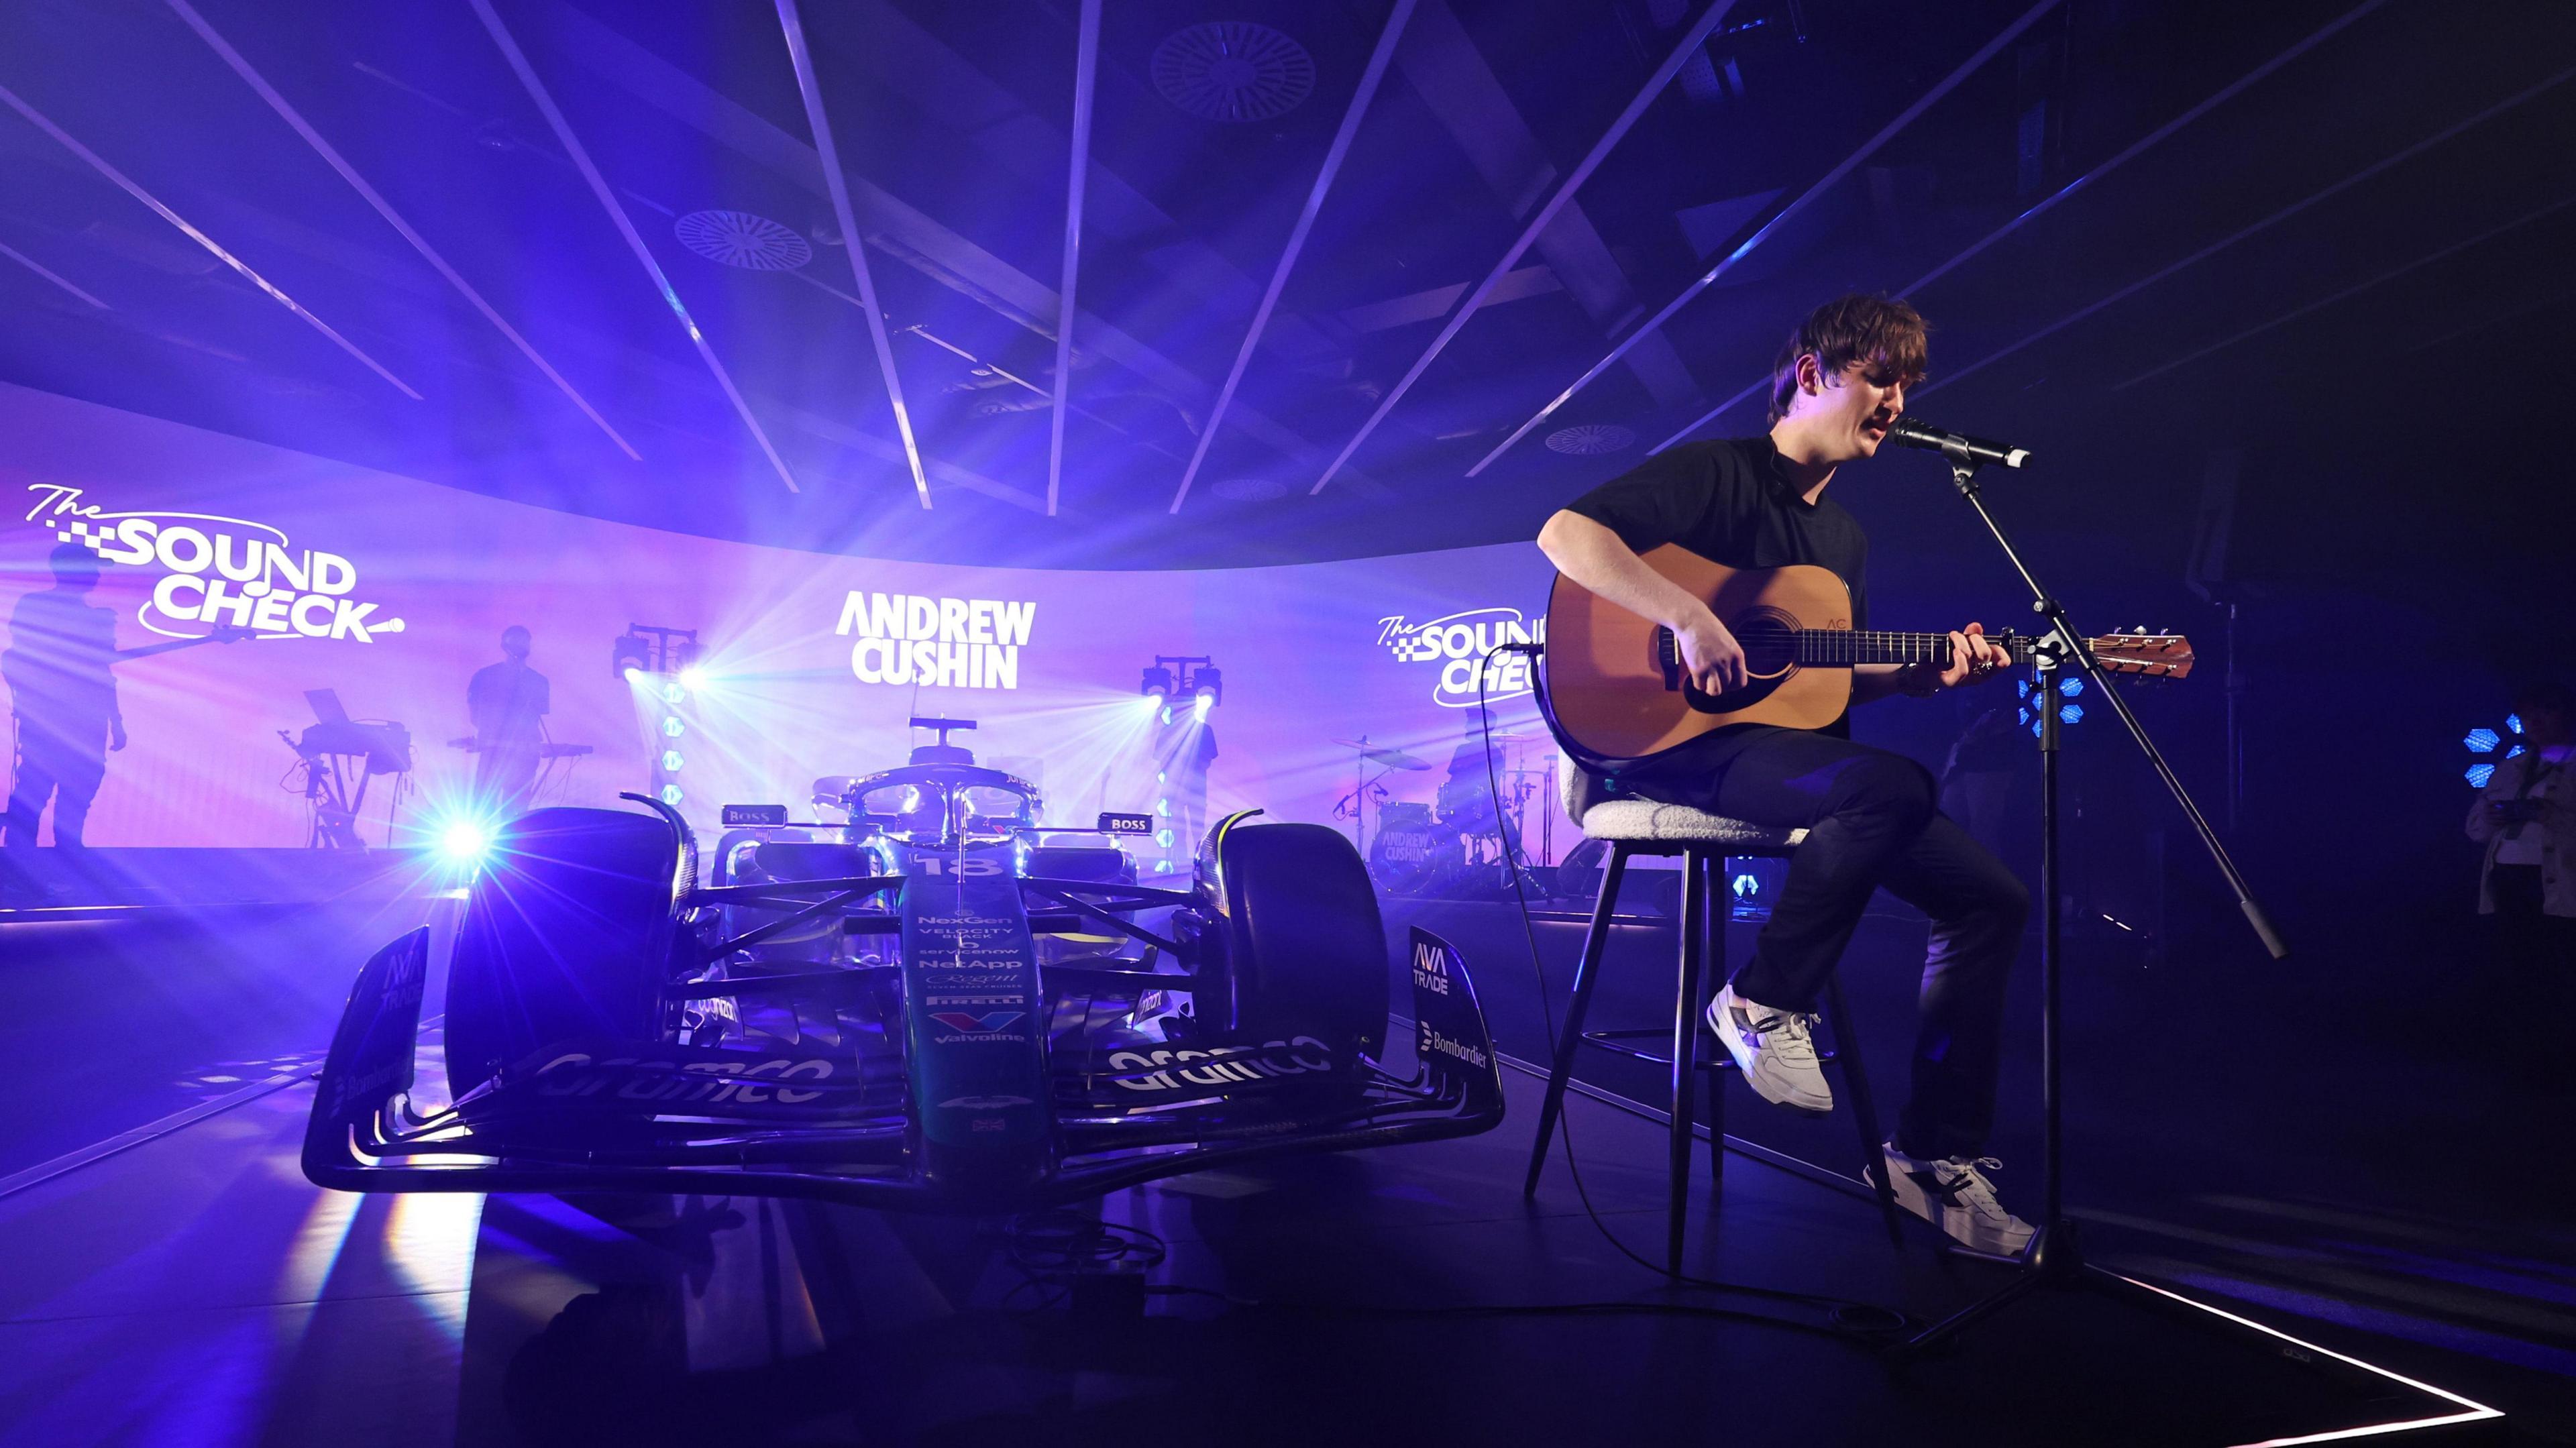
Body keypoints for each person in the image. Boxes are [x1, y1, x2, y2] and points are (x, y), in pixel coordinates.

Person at [1535, 294, 2033, 1252]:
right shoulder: (1717, 472)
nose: (1896, 400)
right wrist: (1687, 615)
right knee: (1883, 784)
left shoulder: (1842, 542)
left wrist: (1920, 674)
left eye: (1907, 386)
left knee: (1991, 898)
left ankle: (1929, 1154)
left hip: (1772, 755)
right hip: (1664, 745)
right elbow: (1567, 534)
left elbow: (1814, 688)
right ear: (1813, 375)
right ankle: (1764, 998)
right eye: (1880, 377)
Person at [2467, 680, 2576, 1091]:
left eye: (2546, 711)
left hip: (2564, 882)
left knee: (2560, 970)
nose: (2535, 721)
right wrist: (2495, 818)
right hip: (2512, 880)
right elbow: (2475, 828)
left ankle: (2560, 1061)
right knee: (2520, 971)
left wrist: (2549, 813)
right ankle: (2526, 1061)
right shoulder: (2511, 768)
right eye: (2528, 714)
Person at [3, 542, 125, 855]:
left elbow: (102, 673)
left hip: (85, 719)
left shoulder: (92, 617)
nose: (98, 575)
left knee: (78, 789)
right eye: (93, 568)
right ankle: (20, 859)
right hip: (51, 720)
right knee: (38, 787)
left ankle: (65, 855)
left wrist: (117, 722)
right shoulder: (39, 607)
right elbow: (17, 657)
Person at [468, 625, 549, 818]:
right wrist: (489, 731)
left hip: (525, 752)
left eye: (525, 641)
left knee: (516, 807)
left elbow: (538, 713)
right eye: (517, 640)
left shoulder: (538, 681)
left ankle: (512, 842)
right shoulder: (486, 676)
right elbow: (474, 709)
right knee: (483, 803)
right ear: (504, 644)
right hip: (493, 748)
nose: (522, 645)